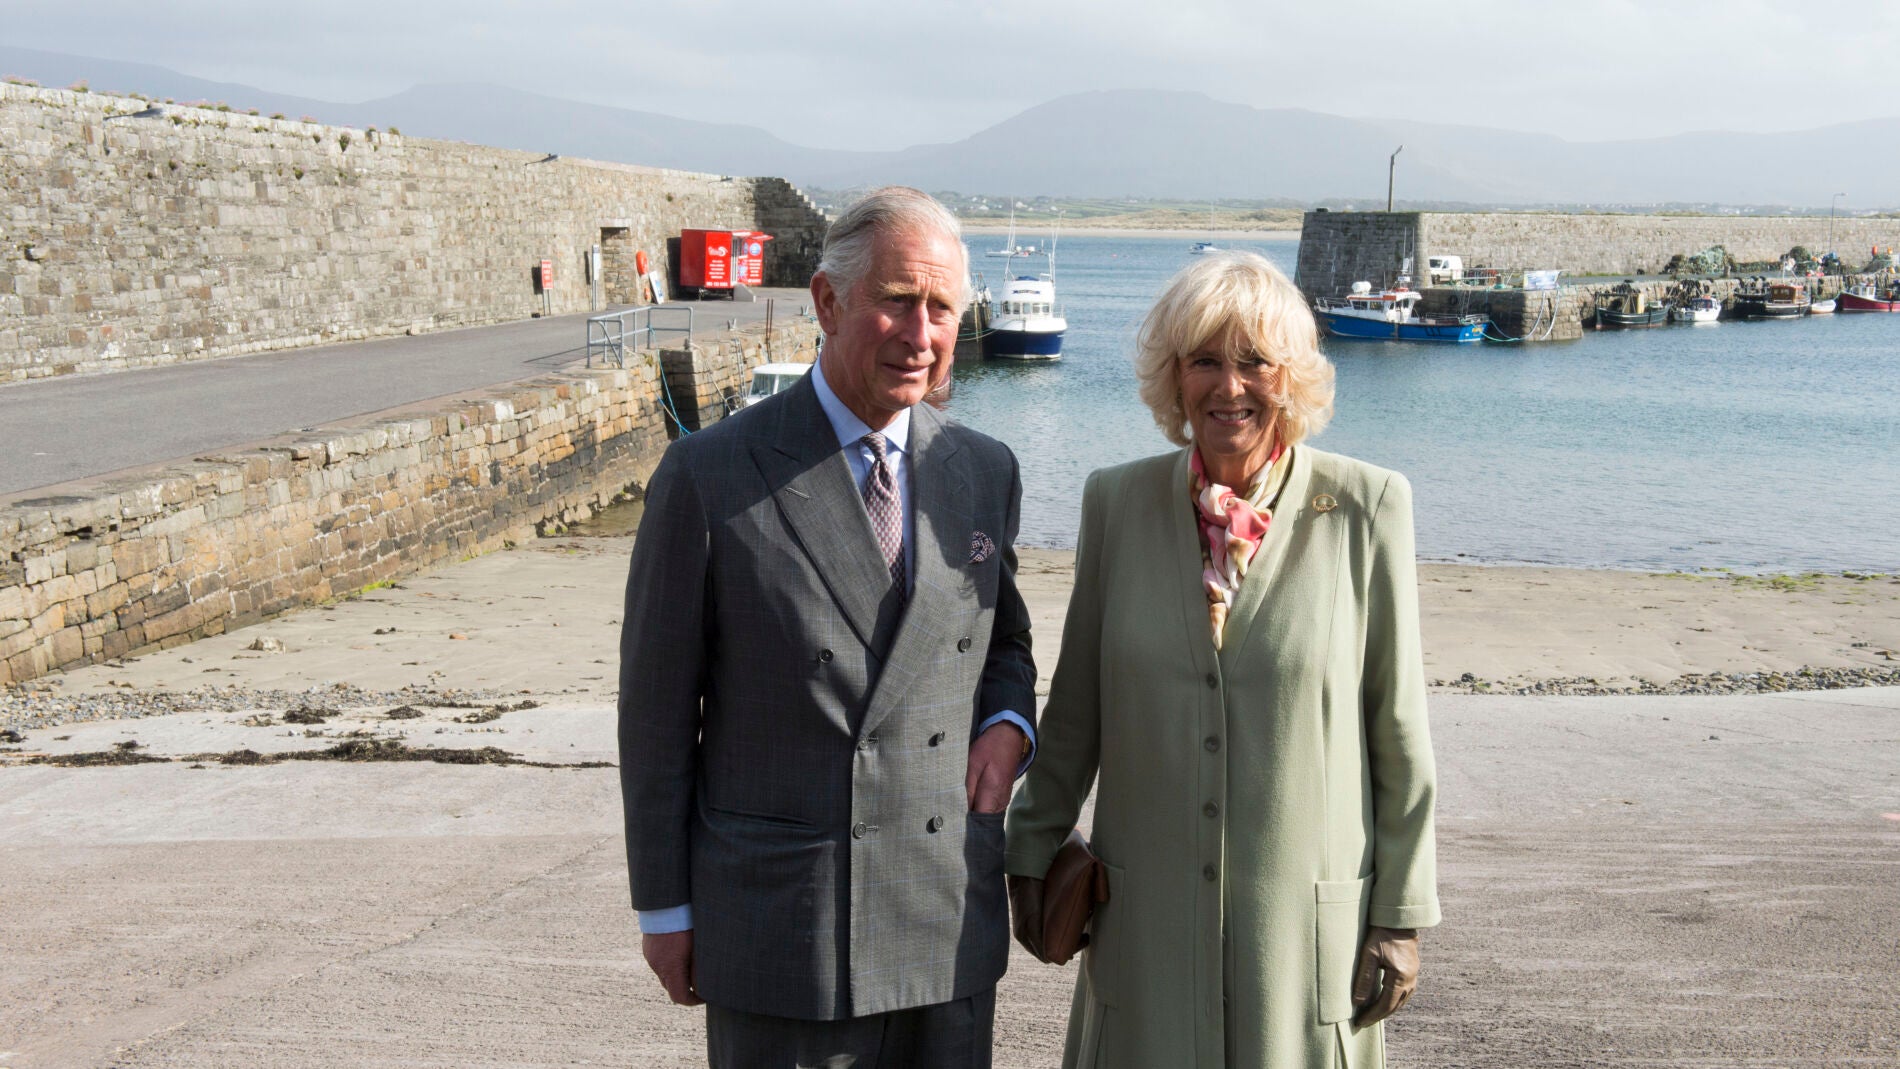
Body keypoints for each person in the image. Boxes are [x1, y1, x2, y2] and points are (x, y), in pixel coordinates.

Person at [618, 186, 1037, 1068]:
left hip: (943, 918)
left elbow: (1003, 641)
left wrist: (1008, 724)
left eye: (942, 308)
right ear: (827, 301)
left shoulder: (984, 470)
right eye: (897, 300)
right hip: (785, 928)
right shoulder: (709, 474)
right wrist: (664, 906)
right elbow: (655, 714)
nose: (920, 334)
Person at [1003, 251, 1439, 1067]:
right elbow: (1075, 716)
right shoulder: (1115, 503)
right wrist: (1029, 849)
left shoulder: (1368, 507)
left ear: (1291, 376)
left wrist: (1401, 913)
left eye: (1255, 362)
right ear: (1174, 375)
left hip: (1302, 948)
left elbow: (1400, 733)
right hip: (1144, 934)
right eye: (1205, 359)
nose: (1229, 386)